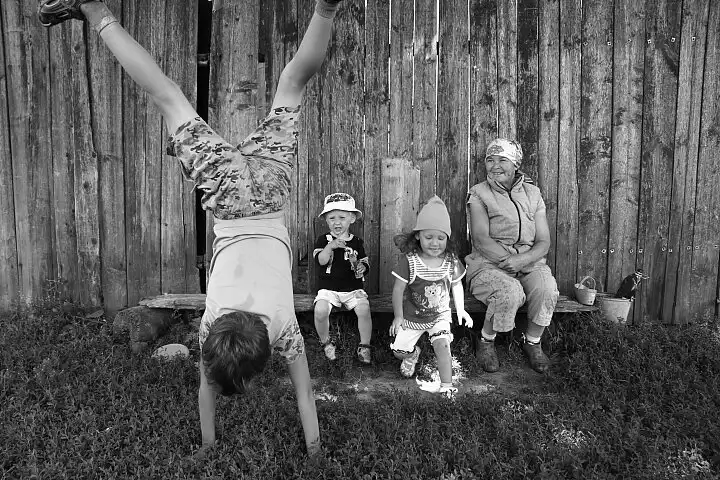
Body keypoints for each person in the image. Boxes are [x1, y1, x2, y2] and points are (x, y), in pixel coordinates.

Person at [40, 0, 346, 456]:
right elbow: (209, 386)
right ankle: (94, 9)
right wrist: (208, 442)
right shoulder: (211, 327)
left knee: (292, 82)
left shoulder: (283, 328)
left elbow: (305, 393)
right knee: (167, 95)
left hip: (270, 189)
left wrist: (314, 450)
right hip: (228, 195)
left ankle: (327, 8)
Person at [465, 138, 559, 374]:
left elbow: (544, 241)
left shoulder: (533, 194)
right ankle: (486, 341)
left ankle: (533, 343)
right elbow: (480, 238)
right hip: (488, 263)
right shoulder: (479, 194)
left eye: (502, 160)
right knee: (510, 291)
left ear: (516, 164)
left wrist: (523, 260)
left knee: (547, 289)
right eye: (490, 160)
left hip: (529, 261)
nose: (495, 165)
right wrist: (509, 261)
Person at [389, 196, 474, 397]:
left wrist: (461, 310)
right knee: (398, 351)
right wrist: (398, 316)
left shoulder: (451, 261)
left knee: (443, 346)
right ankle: (412, 355)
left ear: (447, 239)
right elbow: (398, 290)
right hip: (413, 317)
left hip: (439, 316)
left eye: (441, 238)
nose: (435, 243)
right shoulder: (410, 261)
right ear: (418, 236)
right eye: (429, 237)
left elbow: (456, 285)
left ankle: (447, 387)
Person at [313, 193, 373, 364]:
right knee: (320, 310)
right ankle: (326, 343)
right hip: (328, 289)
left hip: (353, 289)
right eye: (332, 218)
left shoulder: (357, 242)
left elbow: (364, 263)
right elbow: (321, 261)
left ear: (352, 219)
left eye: (342, 217)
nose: (337, 222)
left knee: (364, 309)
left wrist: (362, 267)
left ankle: (365, 345)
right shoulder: (323, 240)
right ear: (326, 220)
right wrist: (330, 246)